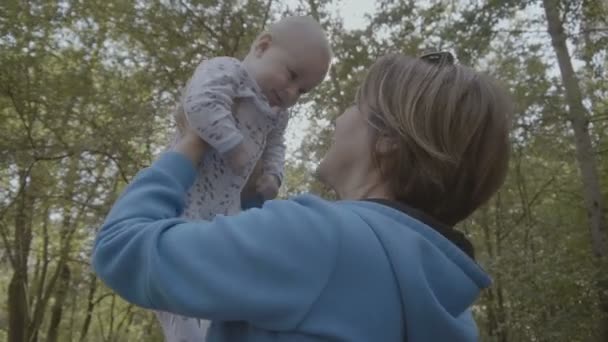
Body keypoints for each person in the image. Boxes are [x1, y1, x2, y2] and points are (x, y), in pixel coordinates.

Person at [92, 52, 512, 341]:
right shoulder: (446, 298)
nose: (337, 116)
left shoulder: (321, 238)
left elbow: (122, 248)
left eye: (355, 105)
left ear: (387, 141)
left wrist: (190, 143)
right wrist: (252, 194)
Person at [157, 15, 331, 341]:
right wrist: (234, 147)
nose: (292, 93)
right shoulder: (227, 70)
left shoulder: (278, 112)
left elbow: (276, 147)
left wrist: (273, 176)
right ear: (263, 46)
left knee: (229, 287)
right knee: (179, 297)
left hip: (227, 210)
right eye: (292, 75)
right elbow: (199, 103)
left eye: (303, 90)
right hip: (187, 200)